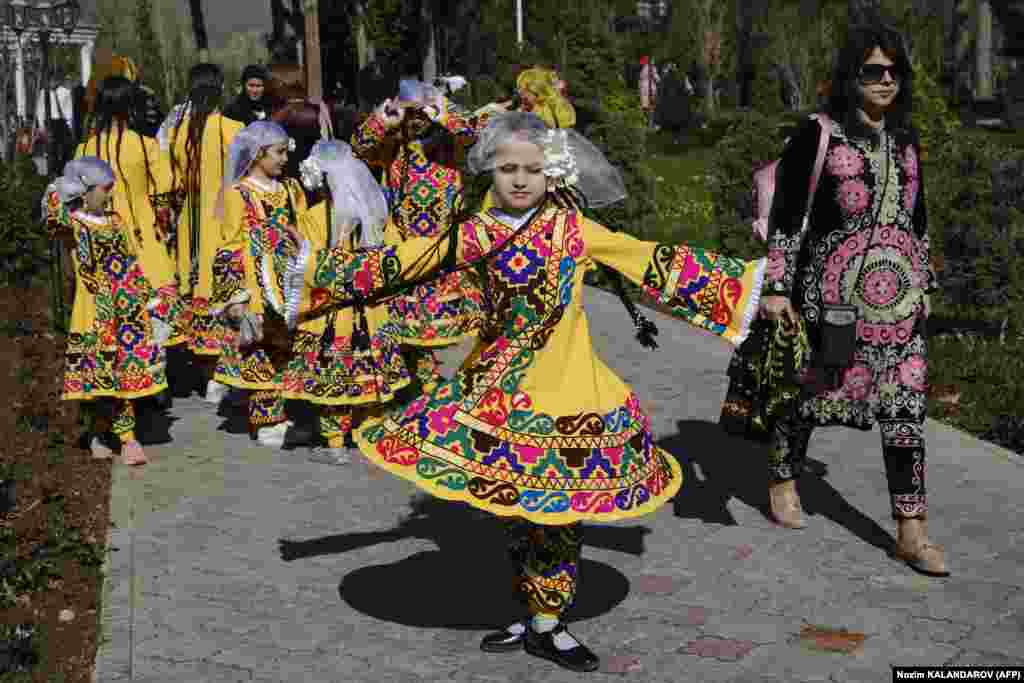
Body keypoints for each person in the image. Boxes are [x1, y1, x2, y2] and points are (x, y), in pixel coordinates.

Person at [282, 112, 766, 672]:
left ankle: (548, 622)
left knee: (557, 511)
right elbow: (403, 263)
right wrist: (315, 263)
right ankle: (534, 613)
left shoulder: (573, 230)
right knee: (515, 504)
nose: (518, 179)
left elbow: (650, 260)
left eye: (531, 169)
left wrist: (749, 286)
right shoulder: (476, 232)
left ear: (551, 173)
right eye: (507, 168)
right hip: (495, 388)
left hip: (567, 391)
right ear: (491, 171)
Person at [758, 23, 946, 576]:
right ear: (851, 75)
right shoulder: (818, 134)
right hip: (830, 303)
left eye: (894, 72)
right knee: (808, 398)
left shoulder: (906, 137)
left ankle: (912, 531)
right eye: (873, 71)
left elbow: (918, 215)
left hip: (899, 309)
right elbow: (787, 217)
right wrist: (776, 288)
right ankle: (782, 474)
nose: (886, 81)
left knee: (907, 412)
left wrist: (926, 285)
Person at [351, 79, 499, 392]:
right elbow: (358, 147)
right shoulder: (393, 145)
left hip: (443, 243)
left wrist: (443, 113)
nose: (416, 120)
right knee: (407, 326)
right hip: (404, 245)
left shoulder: (448, 141)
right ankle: (418, 382)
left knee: (442, 322)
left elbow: (474, 135)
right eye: (410, 113)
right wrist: (382, 118)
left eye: (421, 114)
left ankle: (438, 381)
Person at [281, 140, 412, 464]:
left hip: (330, 313)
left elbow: (309, 265)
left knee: (333, 377)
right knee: (370, 373)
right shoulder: (374, 212)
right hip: (369, 310)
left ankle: (335, 444)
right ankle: (371, 432)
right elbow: (391, 257)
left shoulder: (313, 216)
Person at [44, 157, 175, 466]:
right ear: (85, 190)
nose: (110, 194)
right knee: (99, 379)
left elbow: (130, 262)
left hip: (125, 309)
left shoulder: (117, 221)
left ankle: (123, 438)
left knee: (124, 377)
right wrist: (60, 188)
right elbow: (53, 217)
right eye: (105, 188)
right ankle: (104, 434)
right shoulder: (74, 224)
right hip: (94, 309)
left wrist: (148, 296)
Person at [211, 121, 306, 448]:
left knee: (286, 348)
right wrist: (234, 296)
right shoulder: (238, 194)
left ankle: (282, 411)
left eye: (285, 152)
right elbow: (228, 246)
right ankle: (266, 421)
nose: (284, 159)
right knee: (259, 350)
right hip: (256, 282)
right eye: (278, 152)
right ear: (257, 154)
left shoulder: (291, 190)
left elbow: (302, 227)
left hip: (289, 281)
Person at [76, 76, 185, 352]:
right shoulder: (145, 145)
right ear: (130, 106)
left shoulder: (85, 149)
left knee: (107, 302)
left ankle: (116, 368)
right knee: (157, 291)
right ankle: (151, 363)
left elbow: (73, 198)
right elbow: (166, 190)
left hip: (100, 236)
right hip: (142, 232)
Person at [159, 63, 245, 404]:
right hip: (223, 222)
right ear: (219, 88)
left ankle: (201, 373)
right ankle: (219, 378)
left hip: (188, 225)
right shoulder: (231, 128)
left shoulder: (180, 133)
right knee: (222, 294)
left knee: (195, 290)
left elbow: (173, 182)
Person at [638, 56, 659, 128]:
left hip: (645, 89)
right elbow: (657, 78)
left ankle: (648, 123)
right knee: (650, 107)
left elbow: (640, 81)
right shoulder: (651, 68)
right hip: (649, 89)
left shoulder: (644, 69)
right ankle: (650, 123)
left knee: (646, 107)